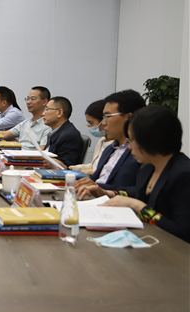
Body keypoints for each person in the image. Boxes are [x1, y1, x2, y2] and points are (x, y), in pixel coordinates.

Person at [84, 106, 190, 243]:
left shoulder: (184, 175)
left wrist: (138, 206)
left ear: (153, 139)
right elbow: (138, 193)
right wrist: (107, 193)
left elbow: (183, 233)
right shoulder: (148, 167)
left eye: (133, 140)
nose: (129, 146)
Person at [75, 90, 145, 196]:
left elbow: (144, 192)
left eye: (108, 116)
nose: (103, 123)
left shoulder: (143, 152)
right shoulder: (109, 149)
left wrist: (103, 190)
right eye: (103, 117)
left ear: (129, 117)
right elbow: (95, 182)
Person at [69, 100, 113, 175]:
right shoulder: (102, 140)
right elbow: (94, 165)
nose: (90, 126)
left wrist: (83, 172)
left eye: (91, 123)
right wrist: (71, 168)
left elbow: (109, 170)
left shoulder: (117, 144)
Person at [42, 96, 84, 168]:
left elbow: (65, 166)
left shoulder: (69, 135)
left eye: (47, 109)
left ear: (59, 113)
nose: (43, 113)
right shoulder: (56, 132)